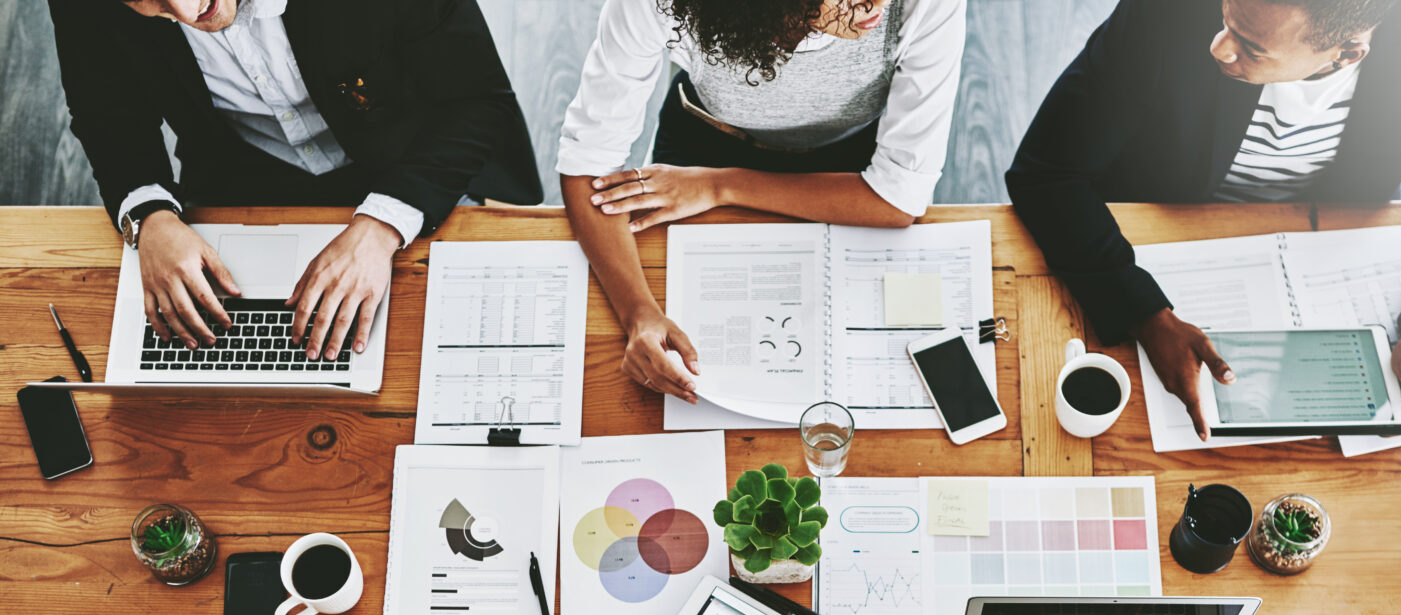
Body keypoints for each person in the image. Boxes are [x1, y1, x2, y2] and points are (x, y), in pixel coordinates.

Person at [1006, 0, 1401, 439]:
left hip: (1335, 241)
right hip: (1161, 219)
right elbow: (1047, 171)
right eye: (1225, 19)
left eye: (1249, 45)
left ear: (1346, 54)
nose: (1218, 46)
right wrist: (1143, 311)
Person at [49, 0, 540, 360]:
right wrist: (149, 216)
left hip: (416, 158)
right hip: (239, 170)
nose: (185, 8)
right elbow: (105, 112)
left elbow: (477, 101)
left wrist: (382, 224)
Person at [557, 0, 966, 402]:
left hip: (850, 163)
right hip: (707, 138)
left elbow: (897, 200)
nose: (877, 2)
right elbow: (587, 163)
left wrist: (721, 187)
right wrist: (638, 315)